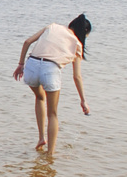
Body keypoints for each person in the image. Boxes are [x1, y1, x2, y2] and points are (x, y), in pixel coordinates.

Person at [13, 14, 91, 155]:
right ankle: (50, 155)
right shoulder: (77, 44)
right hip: (50, 70)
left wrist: (20, 64)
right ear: (84, 33)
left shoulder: (52, 26)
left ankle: (41, 138)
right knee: (52, 114)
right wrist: (83, 101)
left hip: (31, 65)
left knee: (40, 97)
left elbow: (27, 42)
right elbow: (77, 76)